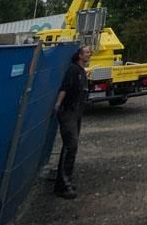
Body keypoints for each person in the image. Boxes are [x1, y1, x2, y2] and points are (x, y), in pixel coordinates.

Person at [53, 45, 92, 199]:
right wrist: (58, 104)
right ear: (79, 56)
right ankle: (63, 185)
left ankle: (65, 181)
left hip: (77, 113)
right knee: (71, 145)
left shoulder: (82, 72)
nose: (90, 54)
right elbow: (65, 88)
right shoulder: (73, 70)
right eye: (87, 52)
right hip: (68, 111)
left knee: (71, 148)